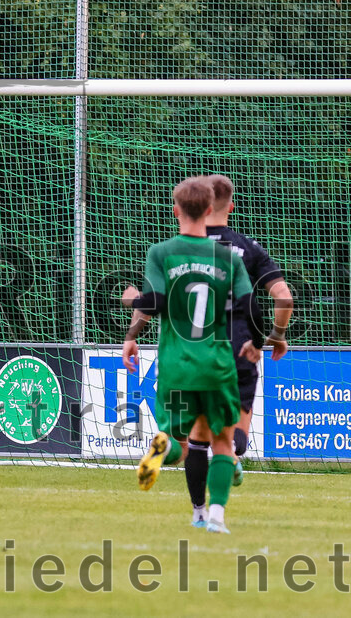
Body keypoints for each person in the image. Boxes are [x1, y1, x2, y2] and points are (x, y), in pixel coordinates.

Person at [121, 176, 261, 534]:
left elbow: (154, 302)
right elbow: (251, 306)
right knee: (222, 441)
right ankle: (214, 517)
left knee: (179, 437)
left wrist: (132, 324)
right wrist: (257, 342)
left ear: (176, 210)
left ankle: (161, 447)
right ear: (210, 210)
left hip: (176, 364)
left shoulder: (162, 253)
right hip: (216, 363)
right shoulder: (228, 257)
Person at [181, 174, 294, 526]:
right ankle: (228, 469)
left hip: (197, 351)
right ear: (230, 206)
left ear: (202, 205)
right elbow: (284, 297)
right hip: (241, 347)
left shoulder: (183, 247)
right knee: (233, 440)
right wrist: (275, 335)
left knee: (198, 438)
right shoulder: (250, 248)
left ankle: (200, 513)